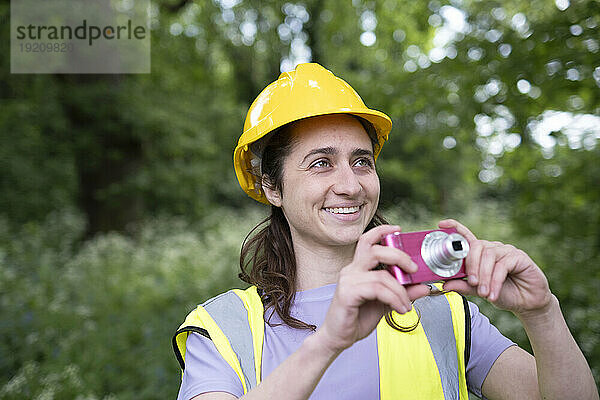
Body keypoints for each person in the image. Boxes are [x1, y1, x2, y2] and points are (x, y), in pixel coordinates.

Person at [173, 63, 598, 400]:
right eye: (321, 162)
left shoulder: (440, 310)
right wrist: (328, 343)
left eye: (361, 161)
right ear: (271, 186)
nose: (351, 184)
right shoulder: (220, 329)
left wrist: (541, 313)